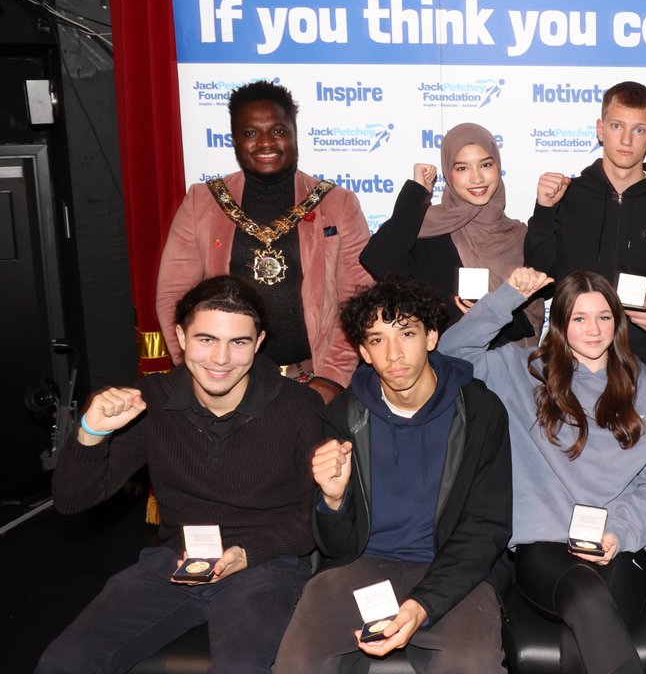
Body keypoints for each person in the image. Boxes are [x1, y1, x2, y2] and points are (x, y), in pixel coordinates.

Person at [36, 276, 322, 674]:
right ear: (180, 338)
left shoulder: (299, 407)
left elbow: (319, 516)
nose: (220, 359)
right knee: (64, 662)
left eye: (238, 342)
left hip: (267, 562)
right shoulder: (152, 400)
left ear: (258, 344)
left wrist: (251, 553)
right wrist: (90, 433)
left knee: (241, 667)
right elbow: (72, 500)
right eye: (206, 339)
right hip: (177, 559)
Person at [440, 267, 646, 674]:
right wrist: (508, 295)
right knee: (585, 599)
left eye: (603, 316)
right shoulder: (522, 370)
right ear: (560, 323)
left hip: (621, 544)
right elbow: (449, 356)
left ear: (617, 321)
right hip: (545, 546)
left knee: (580, 635)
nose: (594, 329)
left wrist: (619, 531)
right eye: (579, 318)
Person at [273, 276, 512, 673]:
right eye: (377, 340)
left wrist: (424, 604)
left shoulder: (480, 411)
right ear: (364, 352)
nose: (394, 354)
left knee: (471, 663)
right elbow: (337, 546)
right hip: (362, 566)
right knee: (297, 663)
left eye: (406, 333)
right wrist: (331, 501)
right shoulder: (342, 416)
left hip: (452, 571)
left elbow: (487, 527)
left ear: (432, 337)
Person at [156, 80, 373, 403]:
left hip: (313, 381)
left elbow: (358, 298)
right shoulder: (204, 202)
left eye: (278, 130)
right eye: (250, 133)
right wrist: (201, 370)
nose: (266, 143)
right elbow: (174, 297)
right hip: (228, 383)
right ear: (234, 140)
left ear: (295, 134)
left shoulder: (336, 204)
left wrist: (332, 378)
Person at [523, 80, 646, 400]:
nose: (625, 139)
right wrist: (544, 211)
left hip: (644, 363)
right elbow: (541, 275)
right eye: (617, 125)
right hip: (569, 362)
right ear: (600, 129)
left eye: (638, 130)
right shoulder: (568, 196)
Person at [359, 121, 543, 348]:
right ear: (448, 173)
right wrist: (417, 192)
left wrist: (492, 313)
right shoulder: (429, 232)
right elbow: (376, 259)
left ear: (498, 167)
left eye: (485, 164)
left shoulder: (518, 235)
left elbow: (532, 317)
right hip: (444, 372)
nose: (477, 178)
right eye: (462, 168)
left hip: (504, 370)